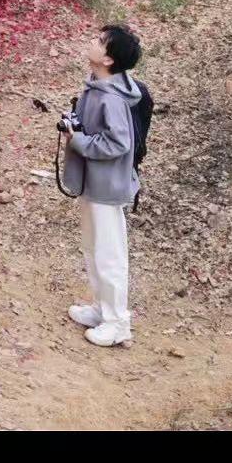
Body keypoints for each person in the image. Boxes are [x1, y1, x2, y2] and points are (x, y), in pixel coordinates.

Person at [60, 24, 143, 347]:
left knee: (109, 254)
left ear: (108, 59)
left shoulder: (112, 99)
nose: (91, 42)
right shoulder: (96, 87)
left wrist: (80, 141)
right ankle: (102, 309)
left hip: (107, 188)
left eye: (99, 41)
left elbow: (117, 143)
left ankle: (118, 322)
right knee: (94, 248)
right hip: (93, 184)